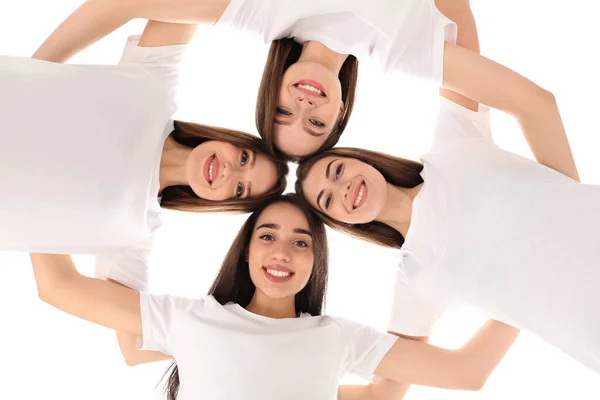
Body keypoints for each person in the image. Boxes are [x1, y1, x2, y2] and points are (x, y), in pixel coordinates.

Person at [31, 194, 519, 399]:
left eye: (301, 242)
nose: (282, 252)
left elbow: (466, 372)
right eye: (266, 236)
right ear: (244, 252)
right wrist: (33, 194)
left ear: (316, 261)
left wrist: (534, 288)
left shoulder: (336, 338)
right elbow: (59, 286)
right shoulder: (190, 319)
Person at [1, 9, 288, 291]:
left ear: (224, 203)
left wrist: (42, 228)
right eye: (243, 158)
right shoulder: (155, 84)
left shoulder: (133, 236)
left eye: (240, 189)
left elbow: (76, 298)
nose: (229, 171)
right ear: (232, 140)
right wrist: (39, 68)